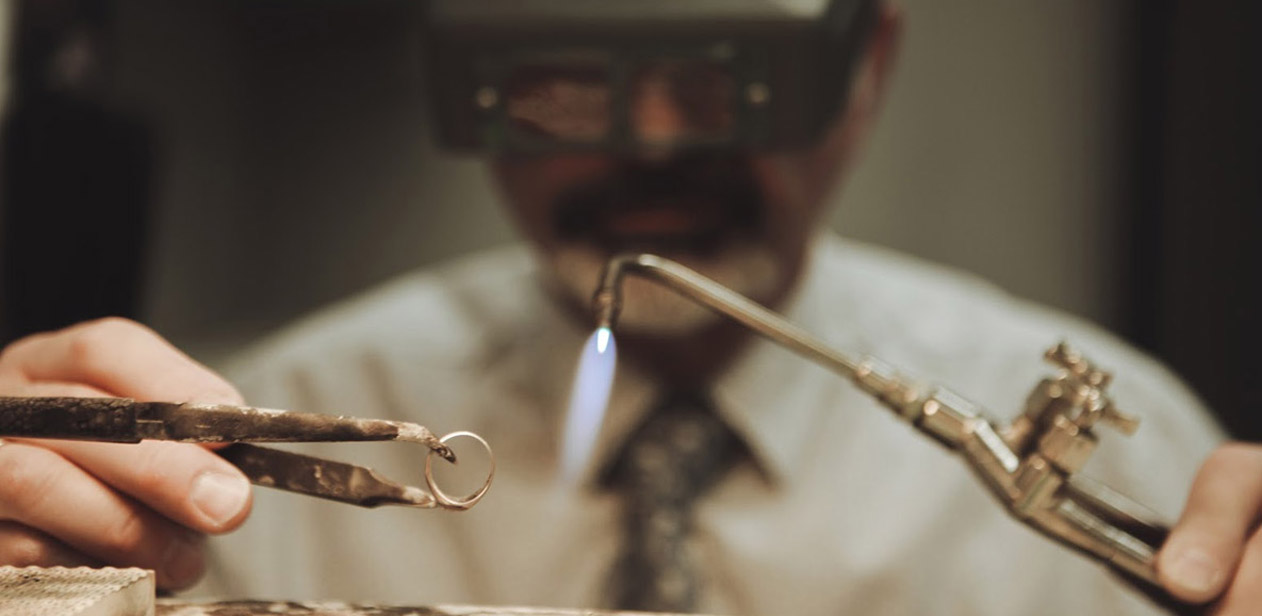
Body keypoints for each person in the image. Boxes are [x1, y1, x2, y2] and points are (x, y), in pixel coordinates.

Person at [0, 1, 1255, 613]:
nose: (650, 145)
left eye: (721, 79)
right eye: (557, 82)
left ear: (863, 65)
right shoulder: (254, 452)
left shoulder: (1140, 465)